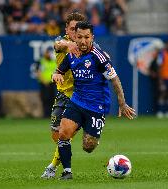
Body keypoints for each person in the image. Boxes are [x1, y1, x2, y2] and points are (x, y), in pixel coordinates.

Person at [52, 21, 136, 179]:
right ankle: (67, 172)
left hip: (97, 106)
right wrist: (56, 75)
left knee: (88, 146)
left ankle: (91, 130)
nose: (83, 41)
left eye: (86, 37)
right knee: (63, 133)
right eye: (79, 37)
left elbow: (115, 80)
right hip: (77, 101)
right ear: (74, 38)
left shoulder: (99, 57)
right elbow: (58, 71)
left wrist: (122, 103)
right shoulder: (71, 54)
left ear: (92, 37)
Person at [41, 12, 85, 179]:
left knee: (65, 133)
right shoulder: (62, 41)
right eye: (73, 29)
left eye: (78, 29)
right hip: (62, 94)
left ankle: (54, 168)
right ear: (67, 28)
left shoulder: (85, 43)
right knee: (56, 134)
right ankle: (55, 163)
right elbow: (58, 44)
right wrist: (68, 44)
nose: (75, 32)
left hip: (79, 96)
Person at [36, 48, 57, 118]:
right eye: (47, 53)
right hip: (44, 84)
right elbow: (38, 72)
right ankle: (46, 114)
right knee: (45, 99)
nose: (48, 54)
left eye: (50, 53)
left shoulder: (54, 61)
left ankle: (53, 114)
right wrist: (43, 80)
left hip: (53, 83)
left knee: (53, 98)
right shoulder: (41, 61)